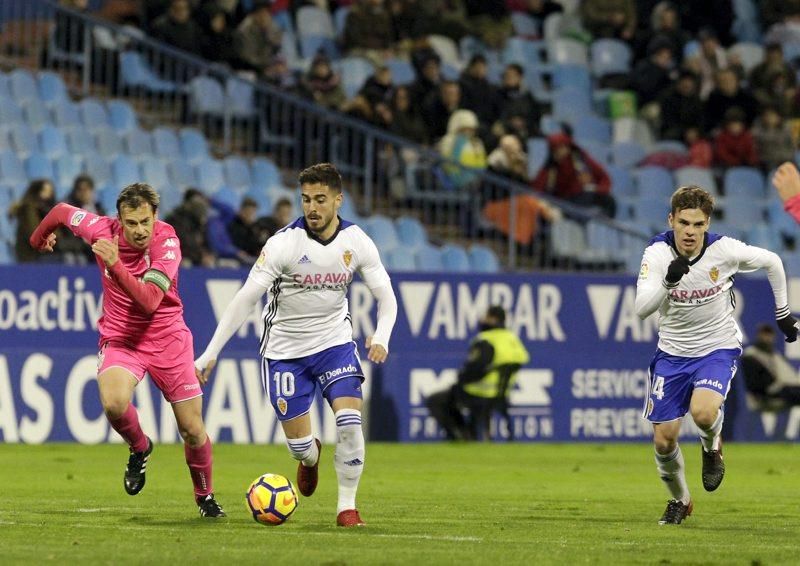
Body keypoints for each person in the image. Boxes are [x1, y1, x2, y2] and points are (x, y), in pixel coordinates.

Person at [194, 163, 398, 527]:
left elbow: (386, 296)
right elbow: (244, 300)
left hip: (334, 342)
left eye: (320, 199)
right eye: (305, 200)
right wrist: (211, 353)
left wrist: (381, 335)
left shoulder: (357, 241)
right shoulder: (283, 245)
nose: (312, 208)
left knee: (350, 423)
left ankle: (346, 508)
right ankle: (310, 457)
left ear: (338, 200)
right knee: (299, 447)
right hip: (285, 352)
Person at [27, 182, 226, 518]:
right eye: (131, 223)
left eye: (145, 221)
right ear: (118, 220)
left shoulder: (167, 242)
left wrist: (116, 264)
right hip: (122, 339)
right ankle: (140, 447)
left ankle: (204, 496)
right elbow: (61, 212)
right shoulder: (100, 230)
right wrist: (39, 240)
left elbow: (149, 302)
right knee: (114, 403)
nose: (139, 230)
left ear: (155, 217)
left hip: (169, 339)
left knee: (192, 429)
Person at [634, 185, 799, 525]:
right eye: (683, 223)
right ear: (671, 220)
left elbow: (773, 261)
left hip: (716, 348)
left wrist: (782, 313)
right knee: (664, 440)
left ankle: (712, 448)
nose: (690, 232)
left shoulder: (724, 250)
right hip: (672, 354)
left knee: (704, 413)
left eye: (697, 224)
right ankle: (680, 499)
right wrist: (667, 283)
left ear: (707, 223)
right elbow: (640, 310)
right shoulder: (657, 253)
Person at [425, 306, 529, 441]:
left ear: (493, 319)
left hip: (478, 393)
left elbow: (474, 370)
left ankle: (462, 436)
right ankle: (469, 432)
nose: (482, 320)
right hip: (502, 394)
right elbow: (522, 359)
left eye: (486, 316)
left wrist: (460, 380)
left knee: (436, 400)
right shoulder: (513, 340)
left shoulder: (486, 340)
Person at [740, 324, 800, 408]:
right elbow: (755, 382)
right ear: (759, 335)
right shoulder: (750, 354)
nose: (767, 338)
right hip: (762, 395)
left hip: (780, 390)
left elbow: (790, 377)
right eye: (764, 334)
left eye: (769, 335)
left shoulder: (775, 355)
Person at [10, 179, 57, 263]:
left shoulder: (47, 208)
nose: (48, 195)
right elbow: (33, 232)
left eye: (50, 191)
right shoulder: (29, 208)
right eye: (45, 191)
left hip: (42, 250)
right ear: (36, 191)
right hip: (30, 253)